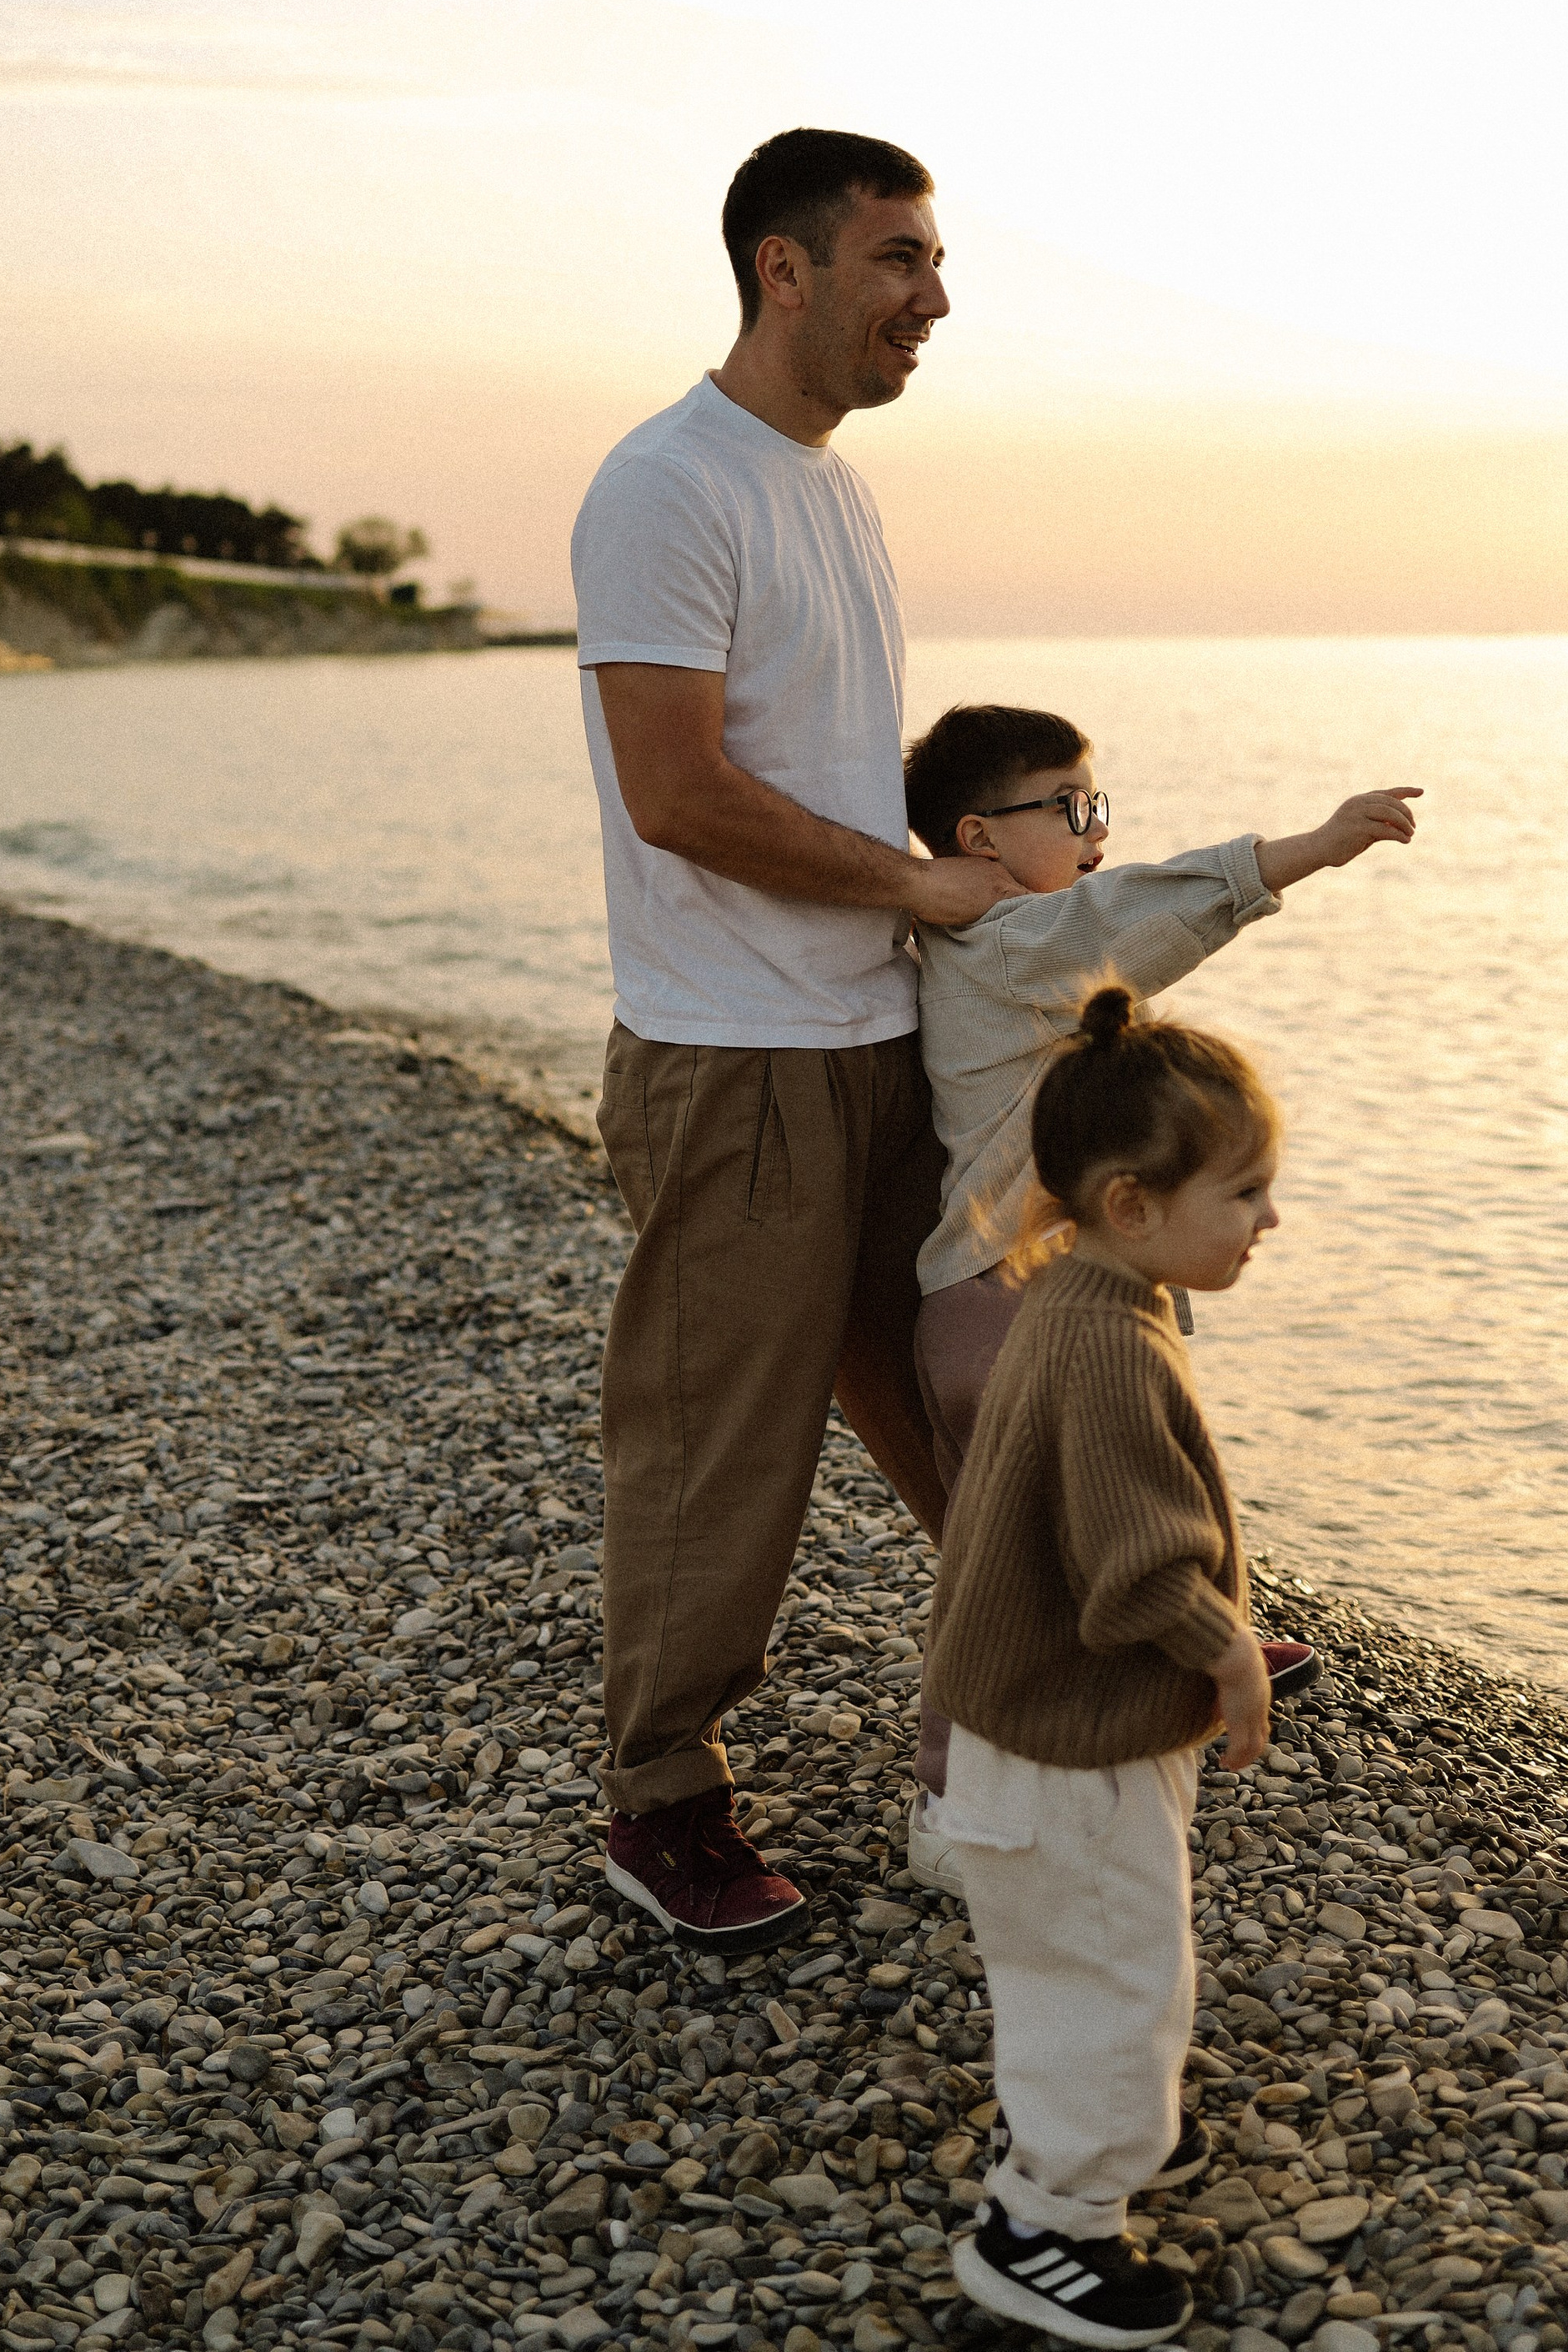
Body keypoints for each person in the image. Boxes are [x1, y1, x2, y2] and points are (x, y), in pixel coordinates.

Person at [569, 127, 1010, 1952]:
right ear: (786, 270)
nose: (934, 297)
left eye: (931, 260)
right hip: (731, 1049)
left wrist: (976, 871)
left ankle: (1050, 1626)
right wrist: (910, 894)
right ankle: (659, 1797)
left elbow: (827, 757)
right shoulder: (666, 487)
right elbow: (676, 796)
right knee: (713, 1437)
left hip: (870, 1023)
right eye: (898, 259)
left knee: (950, 1353)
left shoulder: (831, 484)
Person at [902, 700, 1418, 1873]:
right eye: (1070, 807)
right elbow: (1132, 913)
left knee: (1019, 1555)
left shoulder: (971, 947)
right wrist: (1307, 849)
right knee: (1024, 1570)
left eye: (1098, 805)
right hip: (1020, 1313)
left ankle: (1146, 1674)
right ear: (978, 838)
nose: (1095, 829)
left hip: (984, 1309)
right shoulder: (1011, 942)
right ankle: (955, 1803)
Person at [925, 987, 1281, 2347]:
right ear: (1133, 1205)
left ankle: (1091, 2139)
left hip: (1027, 1733)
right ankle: (1048, 2231)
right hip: (1073, 1749)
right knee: (1120, 1973)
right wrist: (1230, 1655)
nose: (1266, 1220)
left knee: (1068, 1963)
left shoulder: (1070, 1295)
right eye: (1243, 1192)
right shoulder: (1108, 1344)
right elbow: (1140, 1564)